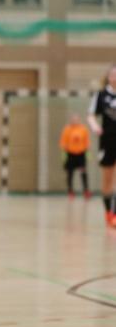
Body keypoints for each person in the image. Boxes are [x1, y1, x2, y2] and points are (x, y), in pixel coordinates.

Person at [88, 64, 116, 228]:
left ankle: (114, 214)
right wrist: (95, 126)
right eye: (113, 74)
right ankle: (108, 212)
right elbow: (91, 115)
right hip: (107, 141)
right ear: (109, 77)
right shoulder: (101, 95)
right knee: (107, 180)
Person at [59, 113, 90, 200]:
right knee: (70, 173)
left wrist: (87, 152)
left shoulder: (83, 129)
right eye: (73, 119)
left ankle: (86, 190)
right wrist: (65, 151)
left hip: (81, 154)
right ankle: (70, 191)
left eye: (76, 119)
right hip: (70, 153)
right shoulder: (67, 129)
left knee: (83, 172)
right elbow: (63, 142)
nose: (75, 121)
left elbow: (86, 141)